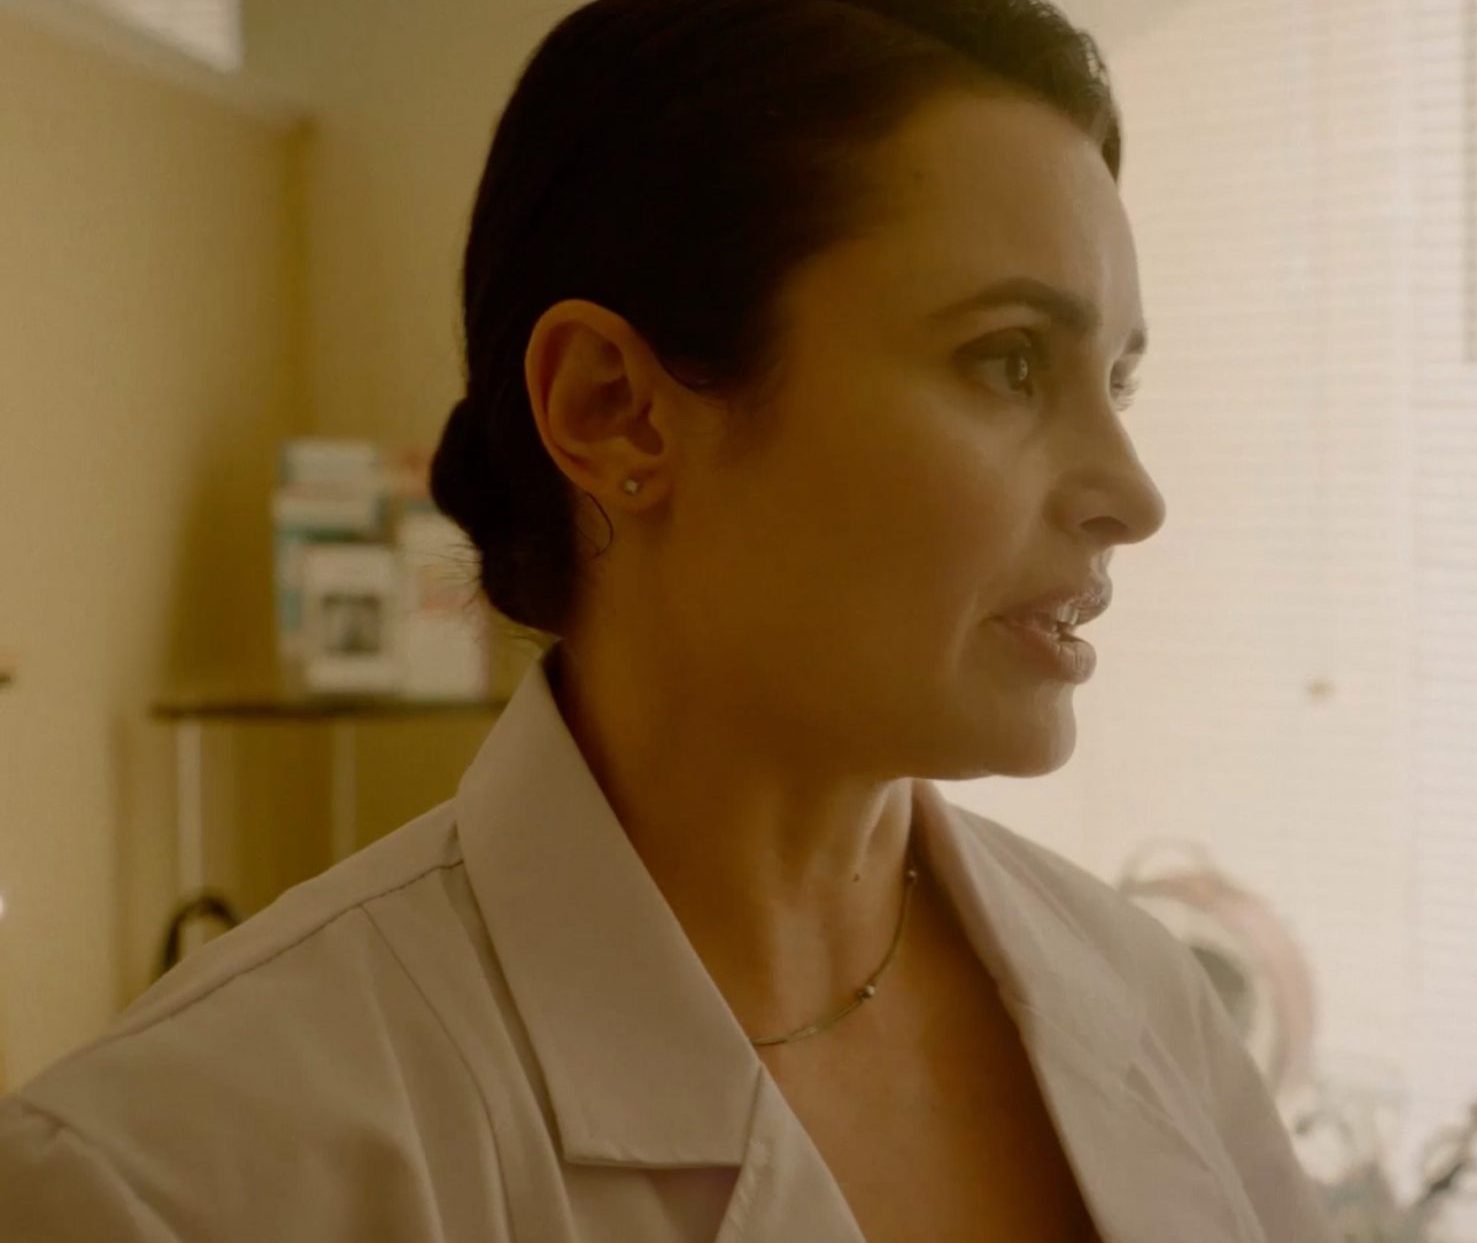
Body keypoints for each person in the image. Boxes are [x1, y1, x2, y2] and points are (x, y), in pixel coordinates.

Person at [0, 2, 1337, 1240]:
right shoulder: (171, 1179)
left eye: (1117, 381)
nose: (1132, 497)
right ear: (612, 410)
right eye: (1009, 361)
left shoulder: (1151, 1007)